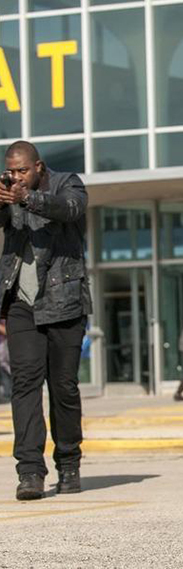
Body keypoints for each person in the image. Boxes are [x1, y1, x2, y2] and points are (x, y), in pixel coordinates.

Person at [0, 141, 92, 501]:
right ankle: (30, 472)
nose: (16, 177)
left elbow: (70, 210)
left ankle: (68, 463)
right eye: (11, 171)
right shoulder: (10, 193)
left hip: (64, 301)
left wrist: (26, 198)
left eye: (22, 171)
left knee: (64, 387)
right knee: (24, 384)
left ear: (38, 167)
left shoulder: (67, 183)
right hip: (21, 303)